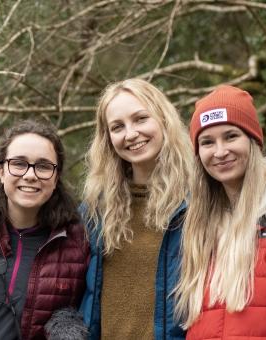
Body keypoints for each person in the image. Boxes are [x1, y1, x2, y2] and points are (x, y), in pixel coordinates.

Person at [174, 85, 266, 339]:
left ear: (253, 140)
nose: (220, 152)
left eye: (231, 136)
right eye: (207, 142)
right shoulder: (196, 223)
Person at [79, 78, 193, 339]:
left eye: (141, 119)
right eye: (117, 127)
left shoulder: (198, 201)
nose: (130, 134)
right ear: (107, 138)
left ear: (163, 119)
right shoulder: (96, 210)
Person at [0, 120, 90, 340]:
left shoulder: (79, 243)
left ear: (56, 178)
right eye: (19, 163)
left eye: (44, 166)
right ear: (1, 171)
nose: (30, 175)